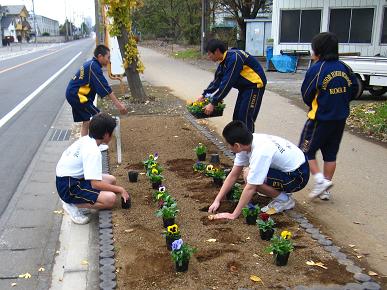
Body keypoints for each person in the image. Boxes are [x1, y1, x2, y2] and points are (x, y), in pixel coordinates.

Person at [298, 32, 358, 201]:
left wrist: (317, 104)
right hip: (340, 118)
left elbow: (306, 93)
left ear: (318, 50)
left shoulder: (317, 69)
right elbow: (354, 89)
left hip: (319, 119)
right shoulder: (344, 67)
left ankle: (320, 181)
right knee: (330, 154)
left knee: (305, 151)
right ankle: (325, 189)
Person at [208, 121, 310, 220]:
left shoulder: (260, 152)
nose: (228, 147)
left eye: (228, 145)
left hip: (298, 176)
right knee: (249, 173)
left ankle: (284, 200)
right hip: (293, 166)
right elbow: (233, 174)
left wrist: (233, 215)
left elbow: (251, 187)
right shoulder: (247, 143)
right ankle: (274, 191)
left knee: (251, 178)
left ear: (237, 145)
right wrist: (217, 200)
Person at [56, 113, 130, 224]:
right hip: (68, 186)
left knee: (111, 180)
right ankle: (71, 204)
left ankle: (82, 199)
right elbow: (95, 184)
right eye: (112, 132)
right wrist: (121, 189)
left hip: (70, 178)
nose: (113, 134)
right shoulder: (93, 152)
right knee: (110, 199)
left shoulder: (87, 139)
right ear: (106, 134)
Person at [198, 39, 267, 132]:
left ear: (217, 51)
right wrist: (204, 95)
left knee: (245, 117)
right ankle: (239, 142)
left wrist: (213, 103)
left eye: (210, 53)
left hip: (255, 86)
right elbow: (217, 81)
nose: (208, 56)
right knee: (237, 117)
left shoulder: (234, 58)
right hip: (245, 88)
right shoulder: (224, 62)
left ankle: (248, 144)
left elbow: (227, 83)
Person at [66, 44, 128, 137]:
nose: (109, 60)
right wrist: (119, 106)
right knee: (99, 117)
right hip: (77, 96)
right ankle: (98, 141)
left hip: (73, 94)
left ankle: (85, 145)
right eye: (108, 57)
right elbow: (106, 88)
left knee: (87, 121)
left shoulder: (91, 64)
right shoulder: (93, 67)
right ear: (100, 56)